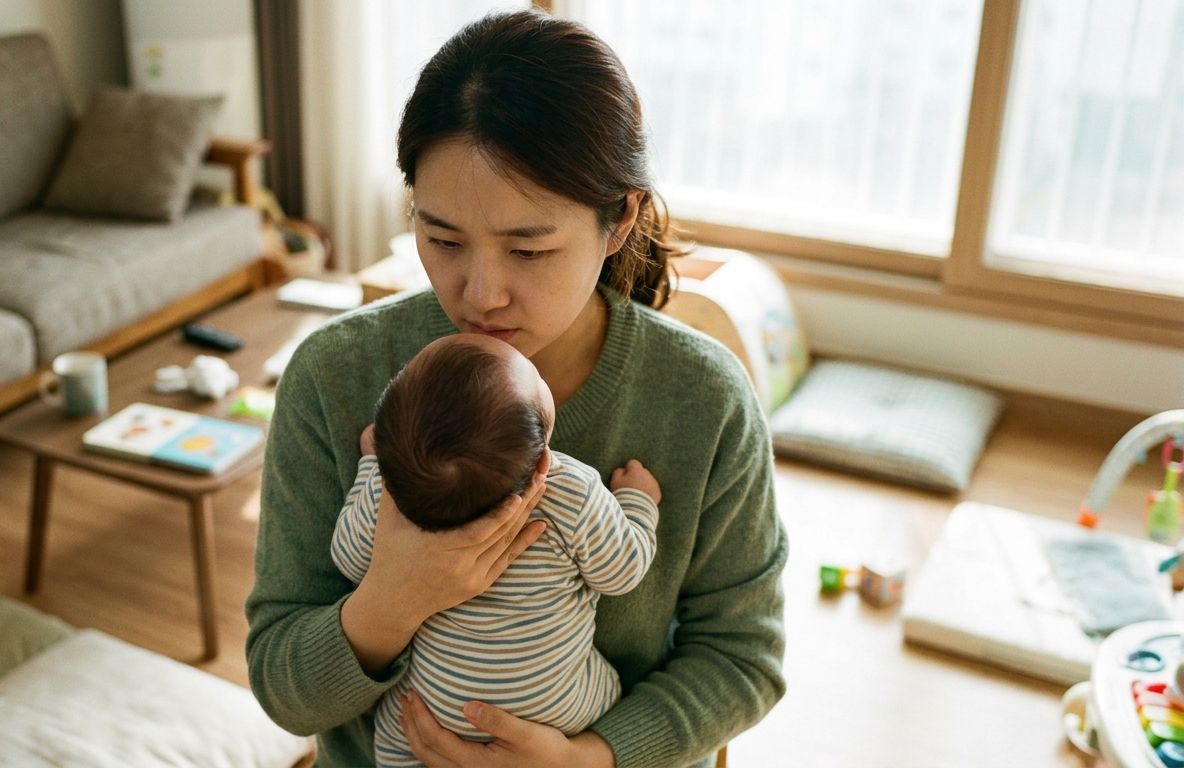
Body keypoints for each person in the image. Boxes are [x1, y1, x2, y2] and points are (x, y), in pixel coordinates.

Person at [246, 9, 787, 767]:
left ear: (619, 218)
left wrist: (593, 758)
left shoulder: (703, 399)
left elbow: (743, 660)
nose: (480, 294)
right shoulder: (337, 377)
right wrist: (389, 602)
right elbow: (281, 686)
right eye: (441, 241)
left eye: (528, 248)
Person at [330, 333, 661, 767]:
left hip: (432, 715)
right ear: (543, 460)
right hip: (558, 711)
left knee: (399, 725)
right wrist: (637, 503)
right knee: (607, 690)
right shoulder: (569, 489)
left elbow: (348, 558)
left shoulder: (386, 492)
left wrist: (372, 466)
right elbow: (623, 571)